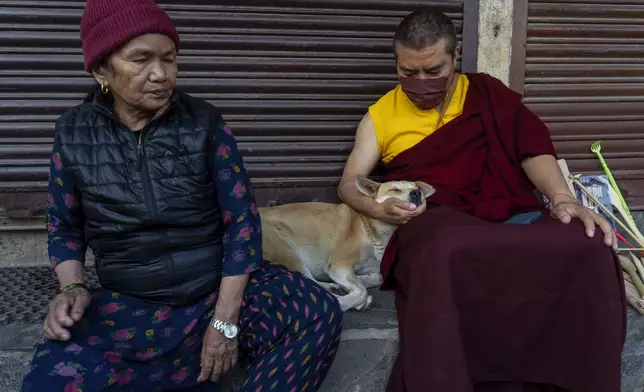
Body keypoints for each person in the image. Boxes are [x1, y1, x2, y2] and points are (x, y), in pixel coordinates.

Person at [21, 0, 343, 391]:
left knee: (314, 312)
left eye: (169, 59)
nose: (161, 74)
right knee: (50, 379)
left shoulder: (203, 123)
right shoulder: (73, 133)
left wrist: (225, 319)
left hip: (214, 293)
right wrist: (72, 287)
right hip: (130, 302)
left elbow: (242, 222)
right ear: (101, 69)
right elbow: (64, 225)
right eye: (141, 60)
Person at [338, 8, 625, 392]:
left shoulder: (487, 95)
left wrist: (560, 197)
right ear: (397, 65)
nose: (421, 81)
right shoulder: (380, 116)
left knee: (587, 244)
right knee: (446, 246)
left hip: (507, 207)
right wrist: (378, 208)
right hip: (436, 216)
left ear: (455, 58)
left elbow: (531, 148)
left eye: (433, 71)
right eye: (408, 72)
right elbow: (348, 184)